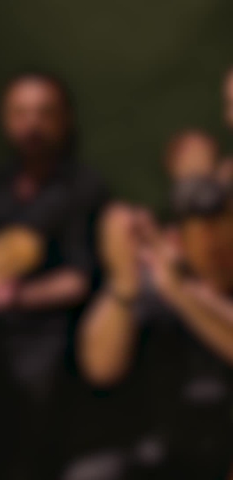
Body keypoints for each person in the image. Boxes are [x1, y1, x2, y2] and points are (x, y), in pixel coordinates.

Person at [0, 71, 109, 480]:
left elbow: (81, 279)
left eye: (44, 113)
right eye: (20, 113)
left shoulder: (85, 190)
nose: (31, 124)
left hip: (56, 351)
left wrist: (14, 297)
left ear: (65, 119)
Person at [77, 177, 233, 479]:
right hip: (164, 454)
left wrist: (182, 294)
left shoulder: (176, 288)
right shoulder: (154, 288)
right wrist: (123, 282)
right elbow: (100, 368)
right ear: (177, 239)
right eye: (201, 230)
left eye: (222, 227)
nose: (213, 241)